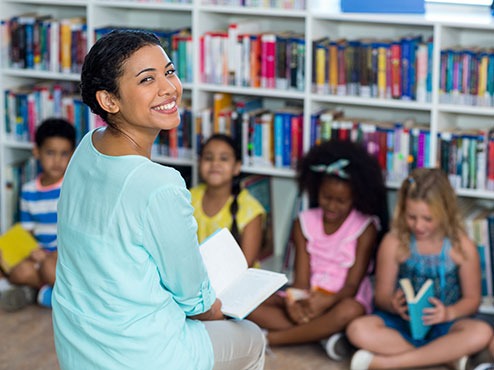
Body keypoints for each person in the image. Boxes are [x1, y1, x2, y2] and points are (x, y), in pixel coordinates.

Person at [52, 29, 265, 370]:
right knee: (252, 337)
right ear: (109, 100)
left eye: (168, 72)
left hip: (77, 346)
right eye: (147, 79)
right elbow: (195, 300)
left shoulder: (86, 147)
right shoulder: (160, 185)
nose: (169, 88)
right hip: (142, 355)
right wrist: (221, 310)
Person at [247, 139, 389, 358]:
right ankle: (321, 334)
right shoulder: (303, 223)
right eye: (326, 197)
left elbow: (352, 285)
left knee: (350, 311)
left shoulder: (365, 227)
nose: (332, 206)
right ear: (316, 190)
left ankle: (271, 338)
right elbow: (302, 279)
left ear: (355, 197)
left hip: (342, 299)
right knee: (251, 303)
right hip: (309, 299)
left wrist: (328, 302)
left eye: (341, 201)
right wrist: (297, 303)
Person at [347, 168, 493, 370]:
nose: (418, 226)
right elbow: (380, 296)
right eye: (411, 217)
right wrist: (393, 305)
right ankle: (445, 356)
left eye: (428, 219)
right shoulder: (393, 242)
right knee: (357, 329)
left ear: (445, 213)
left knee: (481, 332)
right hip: (402, 323)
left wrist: (448, 313)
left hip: (446, 325)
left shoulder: (461, 246)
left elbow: (472, 300)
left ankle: (389, 363)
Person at [0, 118, 76, 311]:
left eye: (64, 154)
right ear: (37, 152)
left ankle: (49, 295)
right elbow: (27, 231)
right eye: (50, 153)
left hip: (65, 254)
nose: (57, 161)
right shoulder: (28, 191)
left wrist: (51, 256)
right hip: (40, 254)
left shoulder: (71, 188)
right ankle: (46, 293)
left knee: (50, 267)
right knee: (17, 270)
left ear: (73, 154)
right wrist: (32, 253)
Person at [190, 133, 265, 267]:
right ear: (199, 162)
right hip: (195, 279)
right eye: (208, 158)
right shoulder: (189, 197)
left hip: (237, 283)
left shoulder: (251, 210)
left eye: (223, 159)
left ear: (237, 167)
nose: (215, 164)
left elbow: (245, 266)